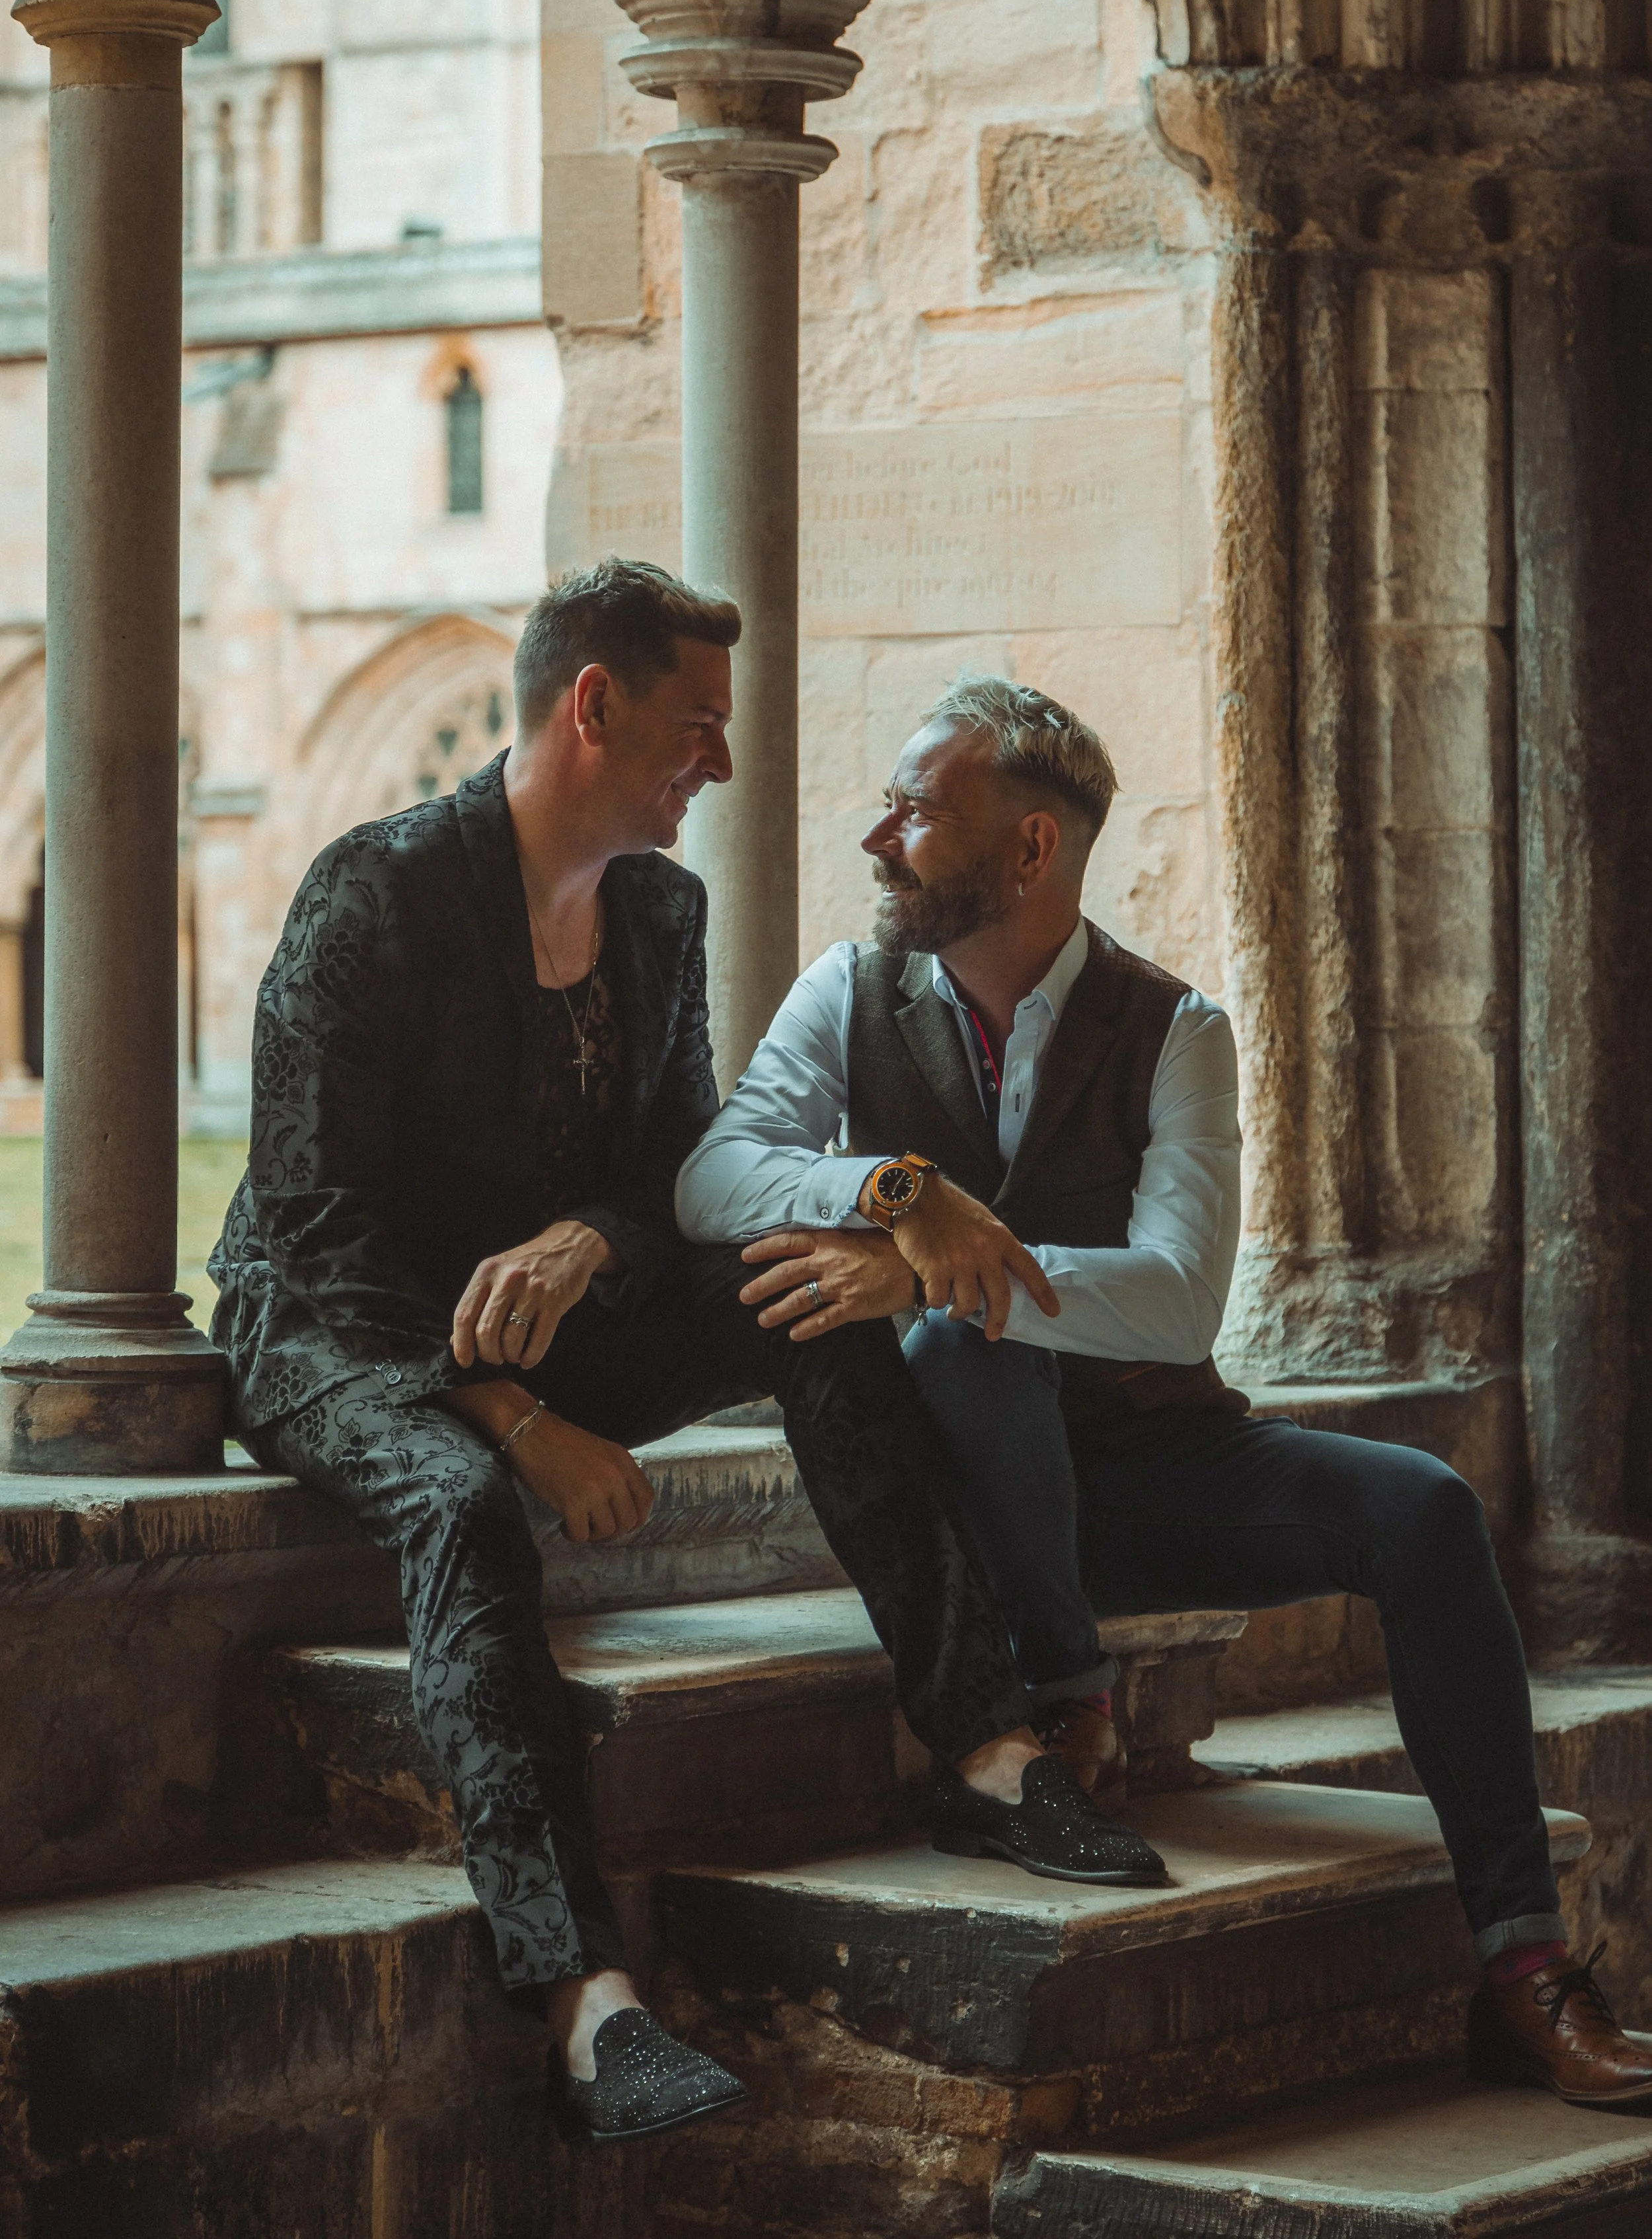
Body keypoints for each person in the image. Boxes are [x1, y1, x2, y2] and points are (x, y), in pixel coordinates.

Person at [209, 565, 1167, 2149]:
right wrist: (520, 1426)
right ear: (593, 704)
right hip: (333, 1334)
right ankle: (587, 2000)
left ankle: (991, 1752)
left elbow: (676, 1178)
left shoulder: (660, 909)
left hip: (547, 1312)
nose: (718, 760)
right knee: (452, 1506)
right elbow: (312, 1231)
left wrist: (592, 1238)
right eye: (696, 724)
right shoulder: (372, 891)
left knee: (804, 1290)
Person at [675, 671, 1652, 2113]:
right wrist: (896, 1196)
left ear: (1029, 850)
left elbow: (1180, 1292)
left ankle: (1519, 1968)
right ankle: (1065, 1703)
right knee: (961, 1344)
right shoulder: (845, 990)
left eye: (917, 813)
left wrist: (938, 1269)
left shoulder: (1174, 1029)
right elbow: (713, 1175)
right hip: (958, 1516)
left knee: (1428, 1509)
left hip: (1151, 1476)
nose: (880, 839)